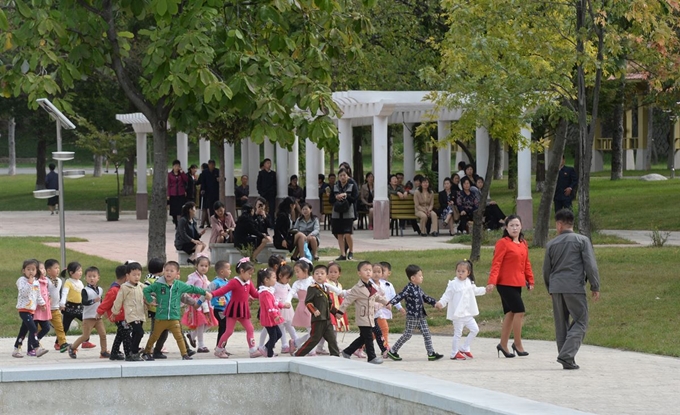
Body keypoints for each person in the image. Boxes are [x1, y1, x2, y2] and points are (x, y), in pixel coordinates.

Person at [543, 209, 600, 370]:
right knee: (581, 321)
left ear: (559, 224)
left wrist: (550, 288)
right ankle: (567, 356)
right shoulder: (582, 241)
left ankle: (566, 357)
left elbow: (546, 270)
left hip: (556, 287)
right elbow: (590, 265)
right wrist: (595, 285)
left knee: (561, 324)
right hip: (574, 286)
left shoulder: (551, 244)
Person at [486, 215, 535, 358]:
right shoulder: (502, 243)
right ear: (506, 228)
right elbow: (496, 264)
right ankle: (517, 344)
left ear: (521, 226)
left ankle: (503, 344)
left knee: (510, 313)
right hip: (504, 283)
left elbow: (526, 263)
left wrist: (530, 280)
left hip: (517, 283)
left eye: (517, 225)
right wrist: (491, 282)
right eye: (511, 225)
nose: (514, 228)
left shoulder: (523, 243)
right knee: (519, 311)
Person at [142, 261, 212, 361]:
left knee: (179, 337)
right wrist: (150, 300)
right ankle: (146, 352)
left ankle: (184, 354)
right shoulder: (158, 284)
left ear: (177, 273)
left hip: (174, 318)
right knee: (154, 337)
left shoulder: (179, 285)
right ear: (163, 272)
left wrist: (205, 293)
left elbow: (192, 289)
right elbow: (146, 290)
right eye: (166, 270)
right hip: (160, 318)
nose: (168, 273)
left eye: (171, 271)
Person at [386, 265, 444, 362]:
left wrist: (435, 303)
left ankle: (431, 353)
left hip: (421, 316)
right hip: (412, 316)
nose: (422, 277)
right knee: (407, 335)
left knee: (427, 333)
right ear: (413, 278)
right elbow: (400, 296)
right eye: (420, 275)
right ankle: (393, 351)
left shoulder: (418, 288)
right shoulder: (408, 288)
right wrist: (391, 303)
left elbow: (425, 297)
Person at [336, 261, 389, 364]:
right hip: (362, 317)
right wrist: (340, 312)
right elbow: (347, 301)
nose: (368, 272)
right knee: (368, 337)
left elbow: (376, 296)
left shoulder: (370, 286)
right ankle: (371, 357)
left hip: (370, 317)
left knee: (363, 338)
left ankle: (347, 351)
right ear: (359, 273)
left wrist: (386, 302)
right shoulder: (357, 288)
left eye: (370, 270)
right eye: (365, 270)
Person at [435, 260, 487, 360]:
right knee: (458, 334)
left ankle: (464, 347)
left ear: (468, 273)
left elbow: (475, 291)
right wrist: (441, 303)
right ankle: (454, 352)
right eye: (458, 271)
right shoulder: (453, 284)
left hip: (468, 314)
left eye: (463, 271)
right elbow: (447, 295)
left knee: (475, 329)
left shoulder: (469, 282)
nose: (460, 273)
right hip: (458, 315)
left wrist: (485, 289)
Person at [211, 258, 261, 358]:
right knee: (229, 331)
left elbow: (255, 294)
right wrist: (212, 294)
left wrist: (264, 293)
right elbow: (223, 290)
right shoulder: (234, 282)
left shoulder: (248, 282)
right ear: (242, 271)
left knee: (250, 328)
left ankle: (252, 350)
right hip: (233, 309)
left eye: (251, 274)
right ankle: (219, 349)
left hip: (243, 310)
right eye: (249, 273)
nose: (250, 276)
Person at [295, 264, 340, 357]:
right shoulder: (312, 288)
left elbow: (329, 304)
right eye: (317, 273)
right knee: (314, 339)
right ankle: (299, 354)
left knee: (332, 339)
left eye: (322, 273)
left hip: (327, 319)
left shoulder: (326, 288)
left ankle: (335, 356)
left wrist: (336, 313)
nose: (319, 275)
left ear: (326, 276)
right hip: (318, 319)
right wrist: (314, 310)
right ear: (313, 276)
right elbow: (308, 302)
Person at [69, 266, 109, 359]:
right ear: (85, 278)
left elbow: (101, 302)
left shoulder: (100, 289)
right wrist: (93, 301)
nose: (92, 278)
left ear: (98, 278)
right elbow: (84, 302)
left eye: (94, 276)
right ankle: (72, 347)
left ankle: (104, 351)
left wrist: (104, 311)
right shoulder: (85, 290)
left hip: (98, 317)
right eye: (89, 276)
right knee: (85, 336)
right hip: (88, 317)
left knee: (103, 334)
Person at [181, 255, 218, 353]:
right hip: (197, 303)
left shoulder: (205, 277)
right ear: (196, 266)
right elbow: (187, 287)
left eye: (206, 266)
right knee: (201, 323)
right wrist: (186, 299)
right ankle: (201, 345)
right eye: (201, 265)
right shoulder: (193, 277)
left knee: (209, 322)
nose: (204, 268)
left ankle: (192, 335)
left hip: (205, 302)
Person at [13, 259, 49, 358]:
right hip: (23, 309)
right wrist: (29, 283)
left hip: (32, 309)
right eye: (28, 269)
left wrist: (42, 304)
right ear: (23, 270)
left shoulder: (36, 282)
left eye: (33, 269)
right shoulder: (21, 281)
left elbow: (37, 295)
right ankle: (37, 348)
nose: (31, 272)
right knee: (33, 328)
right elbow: (23, 292)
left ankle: (16, 349)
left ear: (36, 271)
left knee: (23, 331)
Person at [97, 264, 130, 361]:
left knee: (120, 335)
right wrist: (100, 312)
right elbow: (106, 303)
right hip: (119, 316)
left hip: (123, 316)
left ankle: (114, 353)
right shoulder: (114, 290)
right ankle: (129, 354)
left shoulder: (123, 288)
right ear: (126, 276)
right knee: (126, 335)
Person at [60, 261, 95, 349]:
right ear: (71, 273)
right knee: (65, 327)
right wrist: (62, 303)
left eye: (81, 270)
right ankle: (59, 342)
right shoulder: (68, 282)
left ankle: (85, 341)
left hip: (80, 308)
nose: (80, 273)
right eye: (78, 271)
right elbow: (64, 293)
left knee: (87, 323)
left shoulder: (80, 282)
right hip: (69, 309)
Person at [257, 268, 288, 357]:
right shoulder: (265, 293)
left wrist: (282, 305)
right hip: (268, 318)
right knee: (273, 336)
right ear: (266, 280)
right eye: (274, 277)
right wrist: (275, 315)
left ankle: (265, 348)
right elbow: (269, 307)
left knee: (278, 334)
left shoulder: (269, 291)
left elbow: (274, 302)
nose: (276, 279)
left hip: (272, 317)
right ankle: (269, 353)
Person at [330, 168, 358, 261]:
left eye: (344, 175)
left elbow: (354, 199)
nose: (342, 177)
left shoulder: (352, 185)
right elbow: (331, 200)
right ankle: (342, 254)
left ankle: (351, 251)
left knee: (348, 233)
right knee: (339, 234)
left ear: (348, 176)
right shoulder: (335, 186)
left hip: (348, 213)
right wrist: (336, 197)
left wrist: (346, 195)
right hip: (337, 213)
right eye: (341, 175)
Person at [45, 259, 68, 352]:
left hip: (55, 308)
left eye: (58, 268)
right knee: (40, 327)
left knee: (59, 327)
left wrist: (61, 304)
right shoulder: (45, 281)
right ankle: (34, 342)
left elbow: (60, 293)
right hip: (45, 309)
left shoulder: (59, 280)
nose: (58, 270)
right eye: (55, 268)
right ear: (48, 270)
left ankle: (63, 343)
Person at [209, 260, 232, 348]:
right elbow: (207, 292)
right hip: (219, 309)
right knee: (226, 327)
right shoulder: (215, 283)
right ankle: (220, 347)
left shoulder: (227, 282)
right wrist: (199, 302)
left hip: (227, 309)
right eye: (228, 269)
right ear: (222, 271)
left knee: (224, 328)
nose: (230, 271)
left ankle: (220, 346)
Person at [198, 159, 220, 227]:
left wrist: (220, 179)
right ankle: (211, 221)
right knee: (209, 207)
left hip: (216, 192)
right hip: (208, 192)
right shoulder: (205, 172)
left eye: (213, 165)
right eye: (210, 165)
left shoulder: (217, 171)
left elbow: (222, 178)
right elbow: (203, 181)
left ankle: (216, 220)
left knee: (216, 206)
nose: (212, 166)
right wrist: (203, 189)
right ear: (208, 165)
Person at [167, 160, 188, 227]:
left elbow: (186, 180)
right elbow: (168, 185)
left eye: (178, 166)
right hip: (173, 194)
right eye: (175, 166)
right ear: (173, 167)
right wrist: (168, 194)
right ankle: (175, 221)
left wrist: (182, 173)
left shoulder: (181, 174)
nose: (176, 167)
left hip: (180, 193)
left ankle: (180, 223)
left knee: (180, 209)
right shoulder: (169, 175)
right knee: (174, 210)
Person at [257, 158, 277, 223]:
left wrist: (274, 191)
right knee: (263, 207)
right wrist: (260, 191)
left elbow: (275, 183)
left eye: (270, 163)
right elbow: (258, 183)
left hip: (271, 193)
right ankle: (263, 220)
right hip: (264, 193)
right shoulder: (261, 173)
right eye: (267, 163)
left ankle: (271, 221)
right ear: (264, 164)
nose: (269, 164)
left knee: (272, 208)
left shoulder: (273, 174)